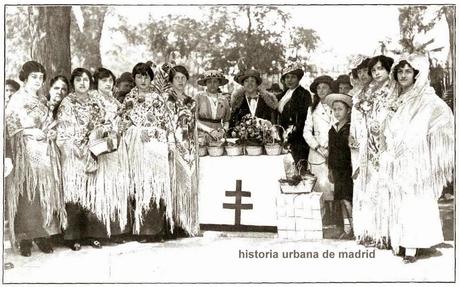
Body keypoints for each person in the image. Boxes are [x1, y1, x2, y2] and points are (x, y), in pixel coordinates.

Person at [381, 54, 454, 263]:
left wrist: (427, 143)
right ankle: (401, 242)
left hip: (415, 157)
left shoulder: (426, 98)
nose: (403, 75)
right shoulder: (395, 97)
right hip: (395, 156)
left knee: (414, 199)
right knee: (398, 200)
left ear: (416, 74)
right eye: (400, 71)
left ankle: (413, 246)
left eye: (408, 71)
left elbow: (443, 117)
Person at [5, 61, 67, 256]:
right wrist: (30, 131)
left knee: (43, 191)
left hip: (45, 151)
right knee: (27, 193)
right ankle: (25, 238)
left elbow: (50, 123)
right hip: (25, 150)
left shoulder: (42, 100)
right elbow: (10, 126)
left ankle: (42, 235)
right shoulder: (16, 99)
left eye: (40, 78)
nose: (38, 81)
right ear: (24, 78)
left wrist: (51, 132)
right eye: (34, 77)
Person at [120, 62, 173, 242]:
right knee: (140, 185)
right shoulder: (129, 99)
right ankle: (141, 231)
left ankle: (157, 230)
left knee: (155, 185)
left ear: (151, 78)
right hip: (136, 148)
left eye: (146, 76)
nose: (143, 80)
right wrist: (136, 131)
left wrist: (152, 132)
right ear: (134, 78)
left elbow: (166, 123)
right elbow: (123, 124)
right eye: (139, 76)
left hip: (155, 147)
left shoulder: (158, 98)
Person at [56, 67, 107, 251]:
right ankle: (73, 237)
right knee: (75, 195)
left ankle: (93, 235)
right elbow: (63, 129)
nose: (82, 83)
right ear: (73, 84)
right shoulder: (67, 103)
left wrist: (97, 137)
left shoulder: (96, 101)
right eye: (78, 80)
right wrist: (78, 145)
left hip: (93, 151)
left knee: (92, 194)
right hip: (73, 153)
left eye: (85, 80)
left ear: (90, 82)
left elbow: (104, 121)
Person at [352, 54, 396, 249]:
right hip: (367, 145)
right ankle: (369, 232)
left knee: (383, 185)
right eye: (374, 70)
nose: (377, 73)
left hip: (386, 144)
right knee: (367, 186)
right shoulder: (367, 92)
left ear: (388, 70)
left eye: (381, 69)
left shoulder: (395, 90)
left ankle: (385, 234)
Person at [88, 67, 131, 243]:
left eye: (110, 81)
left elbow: (123, 120)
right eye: (104, 80)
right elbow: (90, 123)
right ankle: (100, 233)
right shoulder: (92, 99)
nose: (107, 83)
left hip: (116, 146)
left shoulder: (114, 101)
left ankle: (116, 231)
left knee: (116, 186)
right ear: (96, 82)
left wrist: (122, 126)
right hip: (100, 147)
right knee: (101, 187)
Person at [161, 65, 200, 237]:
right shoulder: (165, 98)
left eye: (183, 77)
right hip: (171, 144)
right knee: (172, 184)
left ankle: (186, 223)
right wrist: (170, 144)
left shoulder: (191, 101)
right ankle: (171, 225)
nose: (181, 81)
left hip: (189, 146)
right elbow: (165, 123)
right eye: (177, 77)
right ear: (171, 80)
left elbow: (193, 126)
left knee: (188, 184)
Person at [303, 75, 337, 227]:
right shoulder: (312, 109)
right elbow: (306, 132)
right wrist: (317, 147)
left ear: (330, 89)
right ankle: (322, 221)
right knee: (319, 189)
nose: (321, 90)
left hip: (334, 151)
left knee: (333, 187)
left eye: (325, 87)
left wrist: (331, 148)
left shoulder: (336, 106)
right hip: (316, 154)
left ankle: (337, 222)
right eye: (319, 88)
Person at [326, 93, 354, 240]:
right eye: (334, 109)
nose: (337, 112)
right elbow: (330, 151)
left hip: (347, 169)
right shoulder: (332, 130)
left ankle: (355, 228)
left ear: (348, 111)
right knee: (341, 200)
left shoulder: (350, 128)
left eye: (340, 109)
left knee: (348, 199)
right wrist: (330, 169)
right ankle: (347, 228)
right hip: (336, 170)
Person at [277, 62, 312, 165]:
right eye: (287, 77)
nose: (289, 80)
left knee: (297, 167)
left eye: (293, 77)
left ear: (298, 78)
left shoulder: (304, 94)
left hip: (298, 138)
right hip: (282, 136)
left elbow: (303, 118)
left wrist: (290, 135)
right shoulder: (283, 94)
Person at [195, 70, 231, 142]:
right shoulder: (199, 97)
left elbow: (226, 120)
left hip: (218, 135)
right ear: (205, 83)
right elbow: (194, 120)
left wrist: (223, 130)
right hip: (202, 134)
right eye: (209, 82)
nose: (212, 84)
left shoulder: (224, 99)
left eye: (215, 81)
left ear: (219, 83)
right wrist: (209, 130)